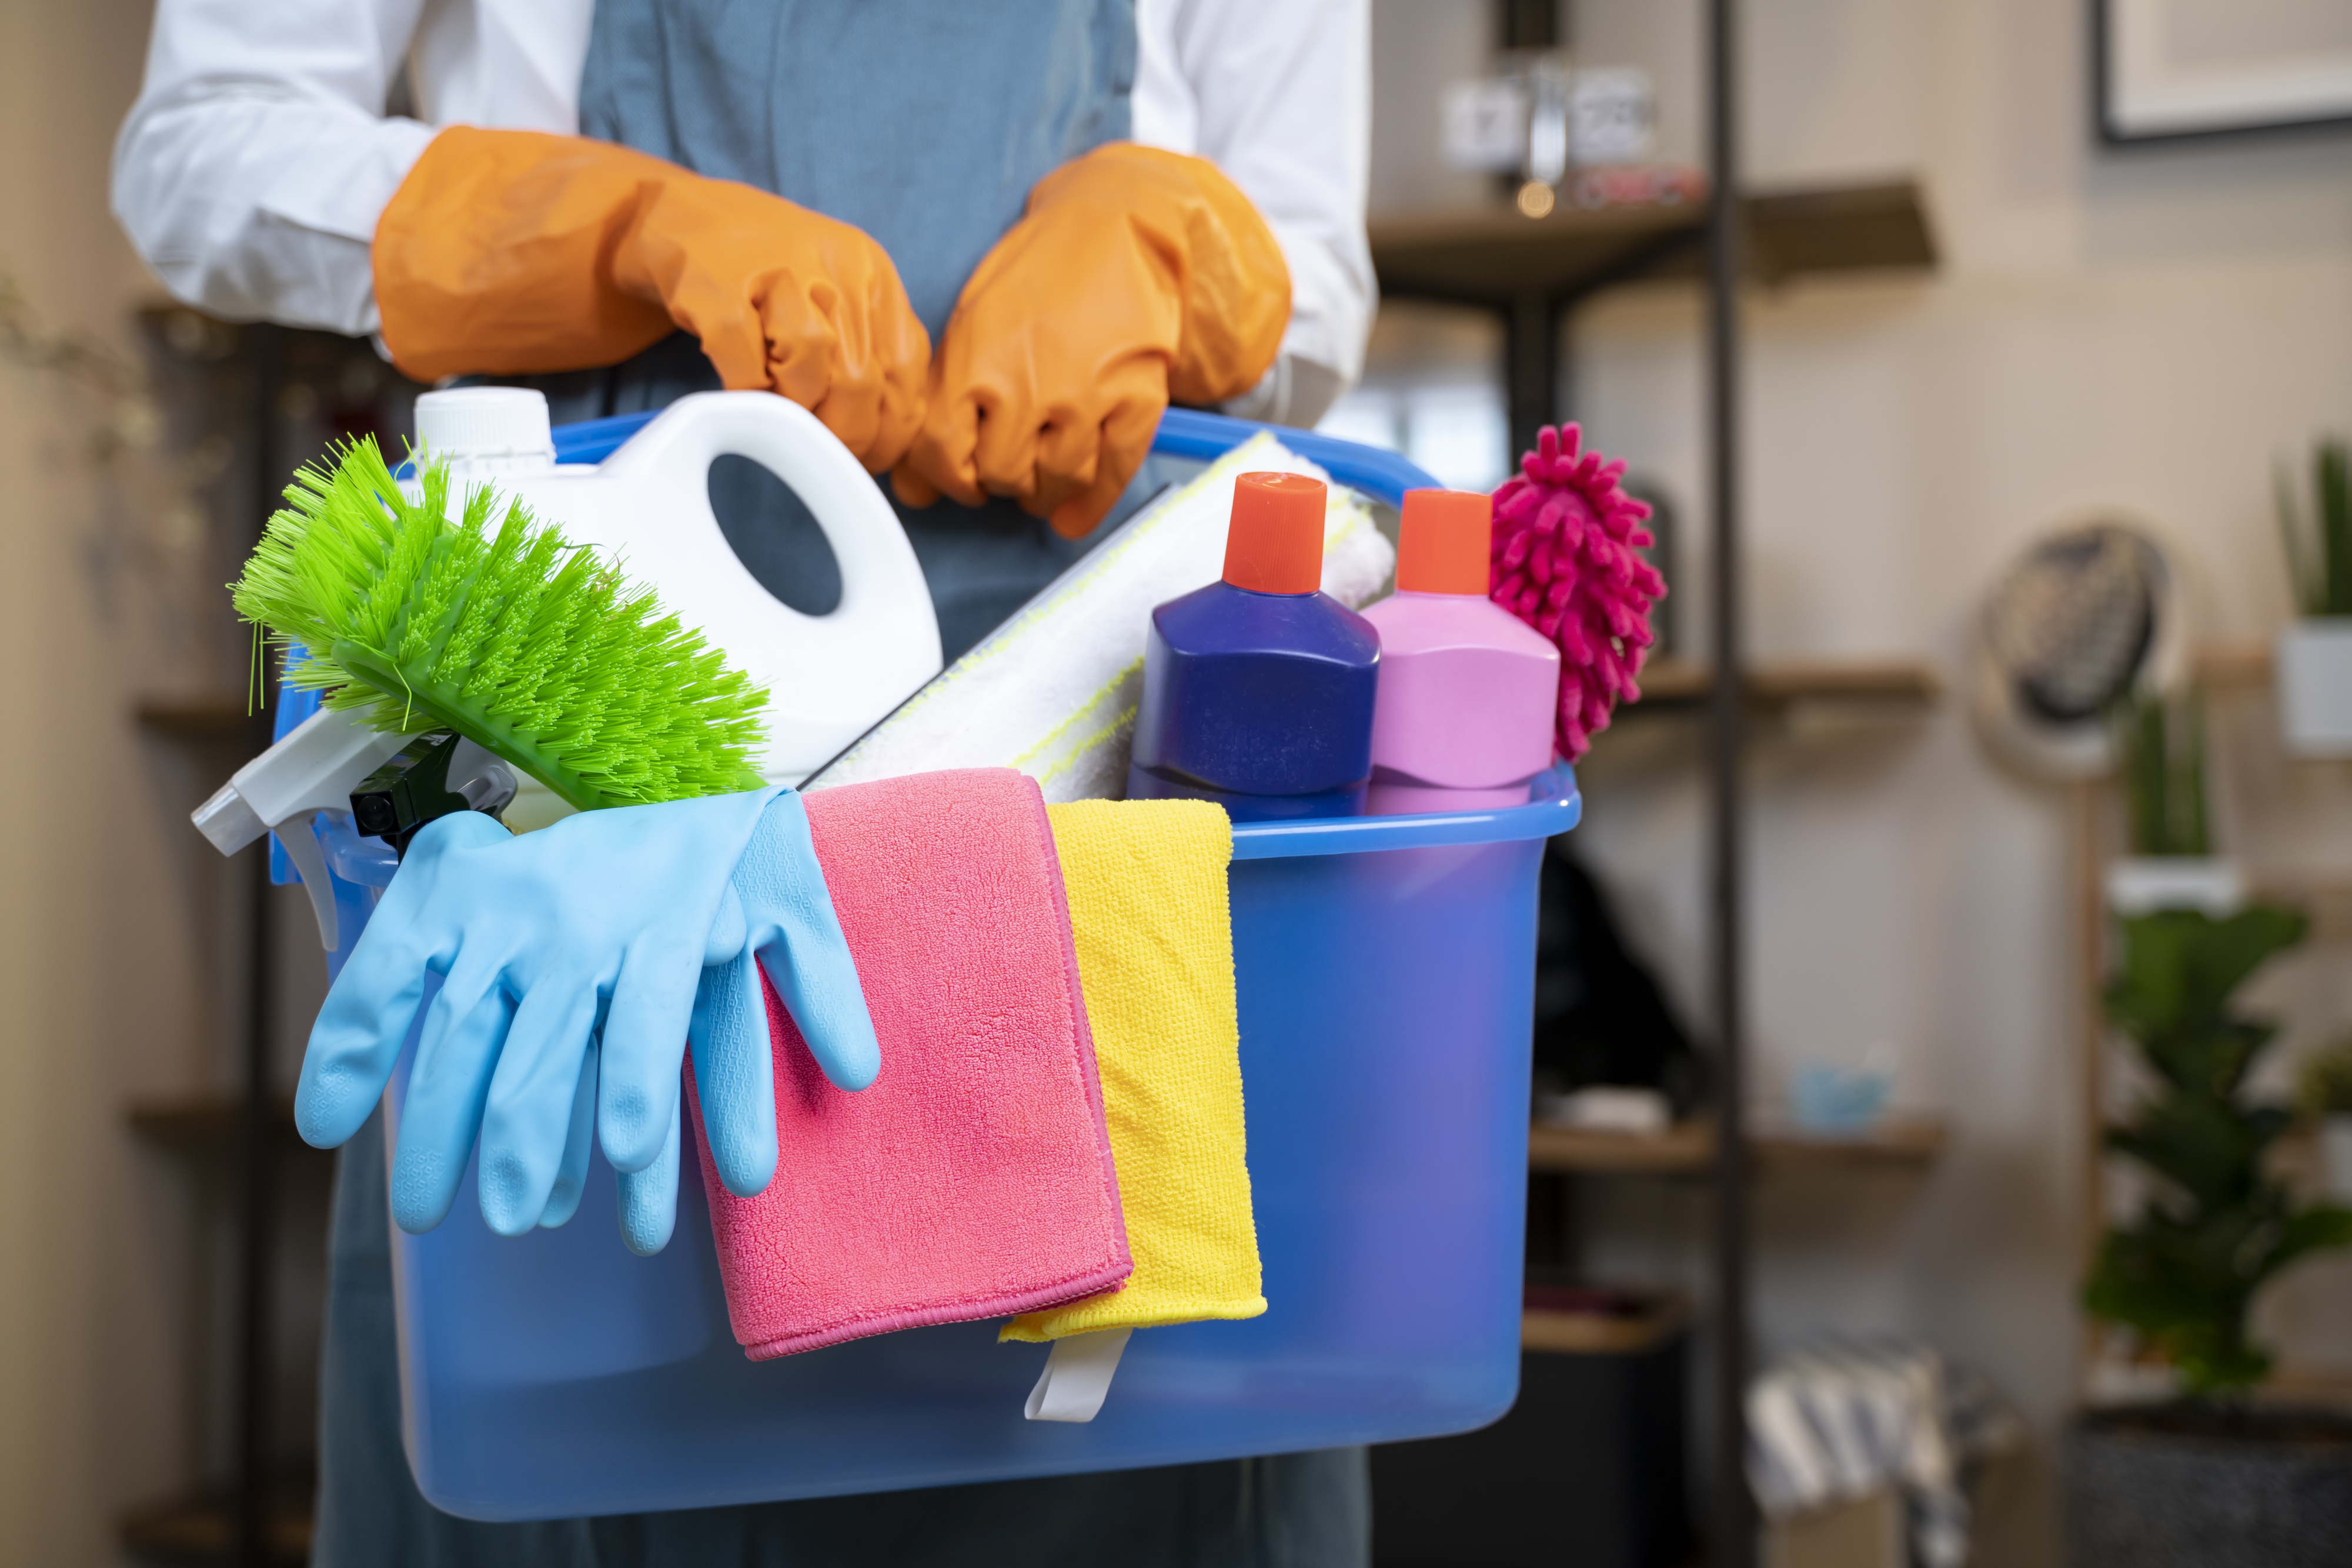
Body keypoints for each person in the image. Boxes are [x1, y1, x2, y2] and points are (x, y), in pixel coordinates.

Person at [113, 3, 1375, 1564]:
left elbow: (1320, 259)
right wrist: (610, 225)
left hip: (1093, 730)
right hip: (582, 717)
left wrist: (1176, 250)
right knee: (571, 1384)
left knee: (1117, 1412)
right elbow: (199, 152)